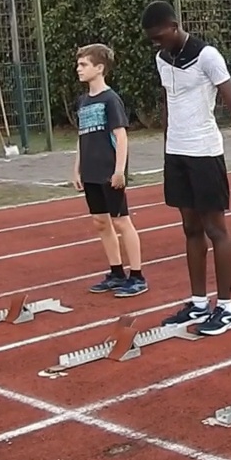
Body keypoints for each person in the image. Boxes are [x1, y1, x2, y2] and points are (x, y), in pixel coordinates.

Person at [140, 1, 231, 336]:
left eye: (160, 36)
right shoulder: (161, 58)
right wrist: (168, 148)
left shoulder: (207, 56)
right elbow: (169, 103)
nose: (157, 43)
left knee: (216, 229)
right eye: (153, 39)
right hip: (178, 154)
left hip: (205, 154)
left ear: (173, 25)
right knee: (190, 229)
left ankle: (226, 308)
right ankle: (198, 302)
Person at [70, 44, 148, 298]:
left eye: (84, 64)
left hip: (109, 171)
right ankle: (116, 272)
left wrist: (119, 170)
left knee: (121, 221)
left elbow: (121, 136)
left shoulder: (110, 99)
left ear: (99, 68)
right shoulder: (83, 101)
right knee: (100, 222)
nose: (78, 69)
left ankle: (137, 275)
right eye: (79, 64)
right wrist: (77, 169)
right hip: (90, 172)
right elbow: (82, 137)